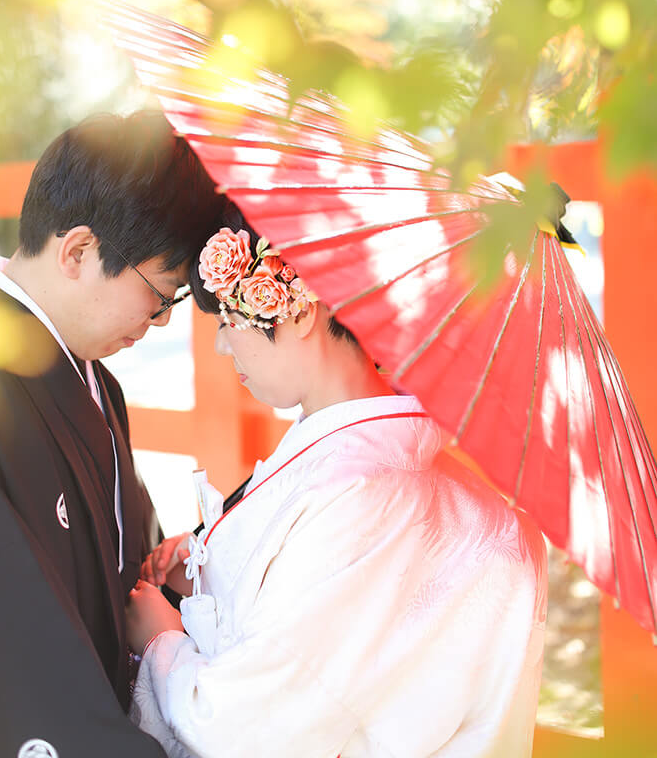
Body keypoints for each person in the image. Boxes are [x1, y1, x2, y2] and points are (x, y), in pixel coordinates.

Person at [126, 199, 548, 758]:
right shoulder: (365, 464)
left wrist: (161, 640)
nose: (223, 345)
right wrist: (207, 567)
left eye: (230, 320)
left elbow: (253, 728)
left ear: (299, 310)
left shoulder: (362, 495)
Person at [0, 110, 221, 758]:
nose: (159, 321)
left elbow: (123, 554)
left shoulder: (94, 378)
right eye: (161, 294)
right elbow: (13, 635)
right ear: (79, 252)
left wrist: (172, 572)